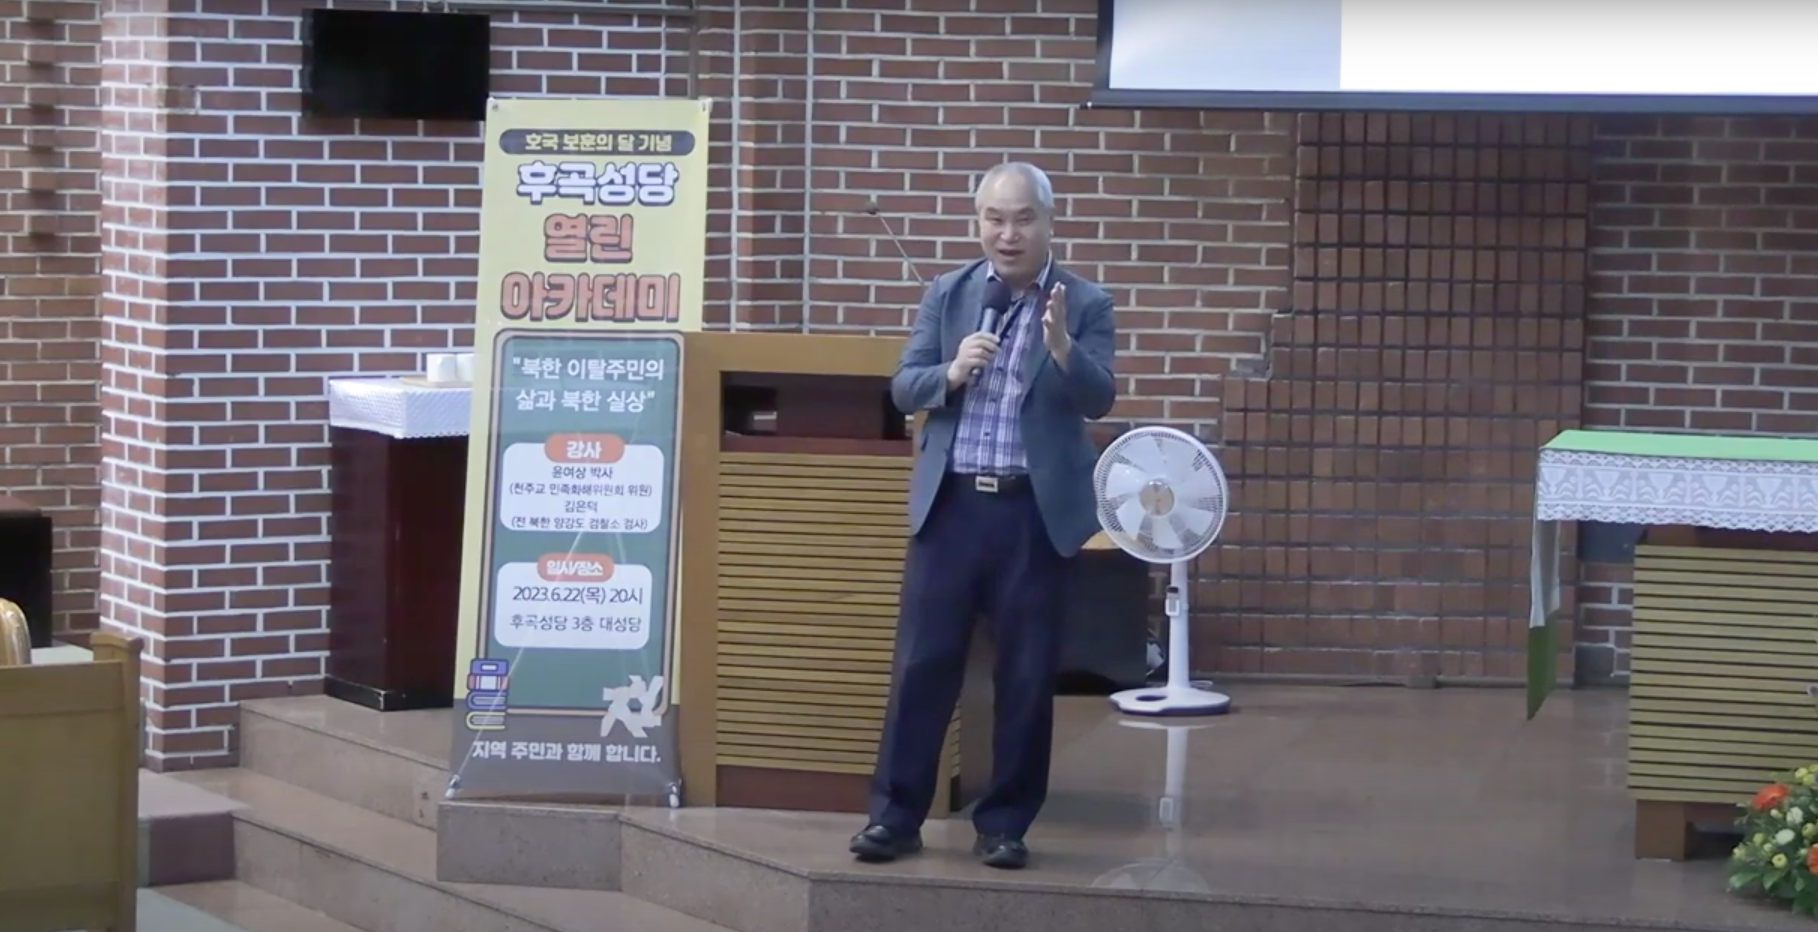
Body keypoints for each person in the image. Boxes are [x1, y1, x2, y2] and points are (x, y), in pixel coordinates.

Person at [849, 162, 1118, 871]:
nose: (1008, 234)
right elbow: (903, 386)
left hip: (1033, 514)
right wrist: (949, 373)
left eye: (1023, 219)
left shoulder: (1086, 302)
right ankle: (895, 818)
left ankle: (1005, 824)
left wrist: (1061, 349)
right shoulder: (948, 293)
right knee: (922, 666)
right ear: (978, 224)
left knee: (1025, 677)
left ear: (1049, 224)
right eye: (994, 219)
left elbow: (1099, 398)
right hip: (952, 509)